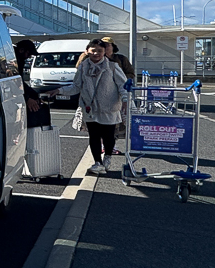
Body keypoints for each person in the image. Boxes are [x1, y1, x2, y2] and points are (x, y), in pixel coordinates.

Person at [58, 38, 129, 174]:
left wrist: (125, 100)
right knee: (94, 136)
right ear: (87, 51)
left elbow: (123, 86)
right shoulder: (83, 67)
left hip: (109, 107)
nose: (96, 53)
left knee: (108, 136)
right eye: (93, 50)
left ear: (104, 52)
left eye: (100, 51)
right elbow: (76, 86)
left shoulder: (113, 67)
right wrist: (59, 91)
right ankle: (97, 162)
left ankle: (107, 157)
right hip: (89, 107)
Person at [14, 39, 42, 114]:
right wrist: (27, 99)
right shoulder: (13, 62)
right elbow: (13, 84)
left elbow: (20, 82)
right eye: (28, 53)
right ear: (21, 50)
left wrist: (35, 95)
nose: (29, 57)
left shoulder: (19, 60)